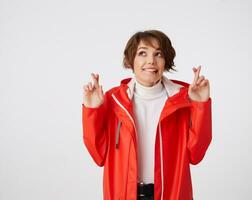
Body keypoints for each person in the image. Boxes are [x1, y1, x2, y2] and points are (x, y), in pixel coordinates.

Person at [82, 30, 212, 200]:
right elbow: (99, 156)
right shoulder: (113, 101)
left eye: (158, 54)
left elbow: (196, 155)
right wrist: (92, 110)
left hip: (171, 195)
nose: (151, 60)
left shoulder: (183, 100)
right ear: (131, 61)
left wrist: (201, 104)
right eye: (142, 53)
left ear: (165, 61)